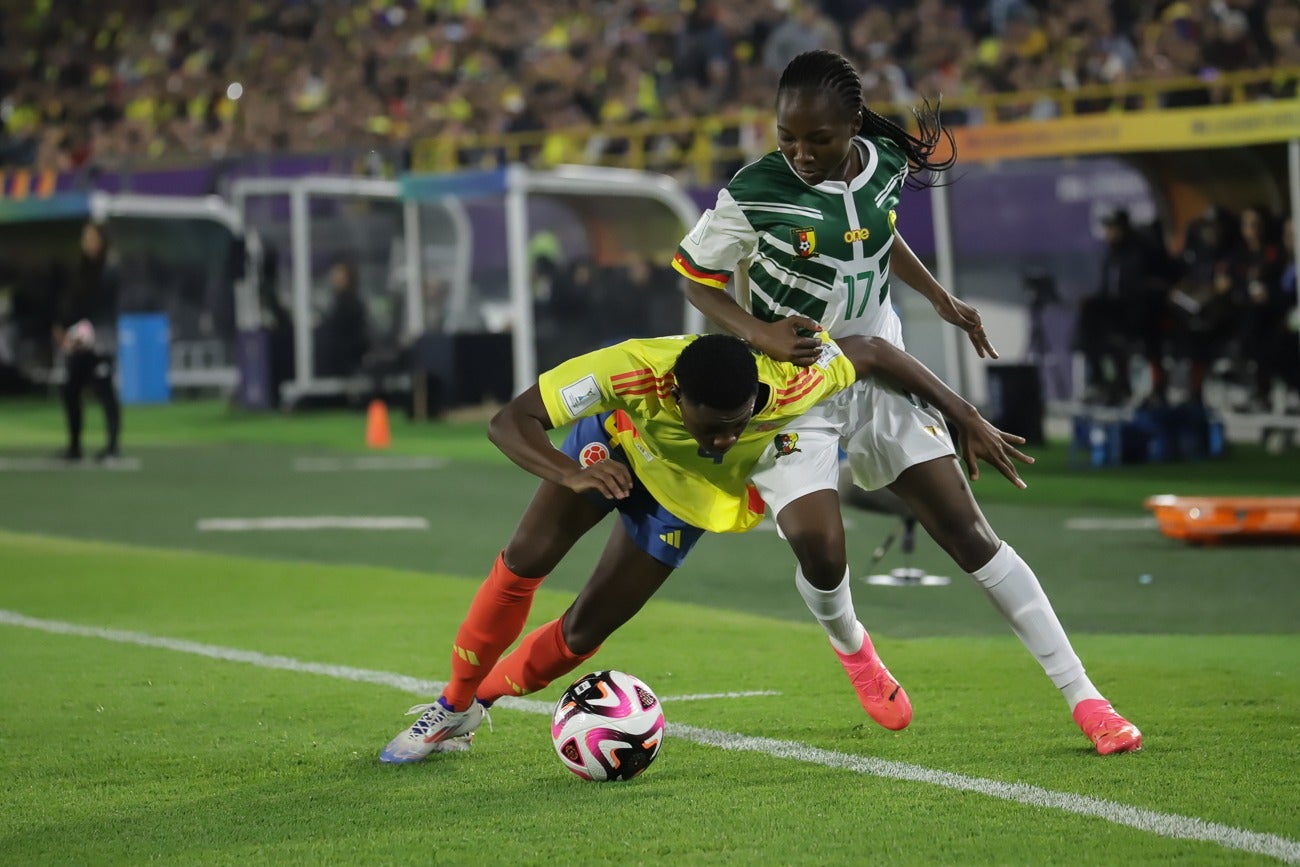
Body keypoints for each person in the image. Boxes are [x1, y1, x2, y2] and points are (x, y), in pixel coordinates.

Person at [673, 49, 1141, 755]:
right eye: (786, 137)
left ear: (854, 125)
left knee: (971, 534)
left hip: (882, 371)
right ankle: (856, 647)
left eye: (818, 140)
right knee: (821, 549)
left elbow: (878, 232)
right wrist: (758, 330)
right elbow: (693, 275)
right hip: (796, 388)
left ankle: (1089, 699)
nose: (800, 152)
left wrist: (939, 297)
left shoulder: (887, 159)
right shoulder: (756, 190)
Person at [379, 330, 1030, 762]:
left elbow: (876, 353)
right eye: (712, 426)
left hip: (684, 504)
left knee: (582, 631)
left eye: (738, 425)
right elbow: (508, 421)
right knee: (524, 561)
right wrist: (570, 471)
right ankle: (450, 703)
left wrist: (963, 412)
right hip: (609, 452)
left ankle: (479, 704)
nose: (725, 438)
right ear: (675, 394)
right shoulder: (628, 370)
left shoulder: (793, 379)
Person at [53, 221, 122, 462]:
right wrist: (63, 328)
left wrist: (86, 329)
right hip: (80, 342)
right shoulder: (81, 269)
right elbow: (74, 303)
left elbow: (101, 305)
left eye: (91, 238)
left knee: (105, 391)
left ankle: (112, 447)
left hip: (101, 340)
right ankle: (74, 446)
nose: (87, 243)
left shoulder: (109, 269)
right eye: (85, 238)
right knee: (71, 390)